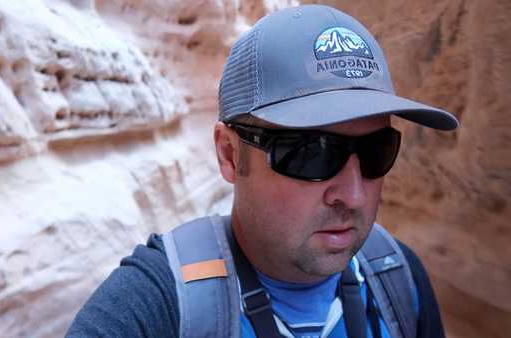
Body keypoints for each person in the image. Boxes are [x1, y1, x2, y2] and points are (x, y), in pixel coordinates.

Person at [65, 4, 458, 338]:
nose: (353, 195)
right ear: (229, 155)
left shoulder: (398, 278)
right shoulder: (155, 305)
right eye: (312, 154)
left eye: (377, 151)